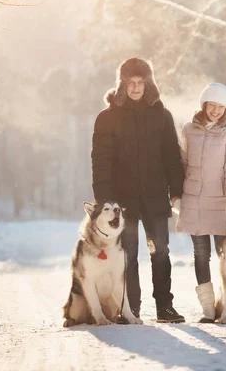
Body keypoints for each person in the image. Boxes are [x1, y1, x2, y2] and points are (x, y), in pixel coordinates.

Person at [91, 58, 185, 323]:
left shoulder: (161, 115)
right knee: (128, 253)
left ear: (148, 83)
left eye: (140, 83)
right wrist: (104, 201)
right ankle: (131, 308)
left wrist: (175, 190)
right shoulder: (107, 118)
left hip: (155, 197)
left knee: (161, 251)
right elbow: (101, 160)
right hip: (123, 202)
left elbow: (172, 156)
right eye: (130, 83)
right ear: (122, 85)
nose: (135, 88)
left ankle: (164, 307)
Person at [176, 82, 226, 323]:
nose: (215, 110)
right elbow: (181, 165)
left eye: (220, 106)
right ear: (204, 104)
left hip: (220, 202)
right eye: (211, 105)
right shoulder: (188, 130)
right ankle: (207, 308)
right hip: (193, 200)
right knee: (200, 254)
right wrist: (175, 195)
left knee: (225, 255)